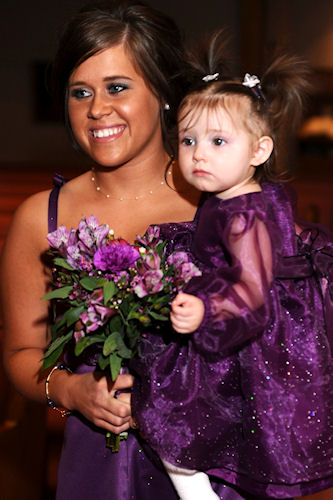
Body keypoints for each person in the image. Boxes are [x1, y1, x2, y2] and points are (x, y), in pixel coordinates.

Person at [0, 3, 255, 500]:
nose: (97, 109)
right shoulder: (40, 218)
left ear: (161, 91)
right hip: (101, 467)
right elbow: (18, 354)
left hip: (218, 464)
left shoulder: (223, 200)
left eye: (117, 87)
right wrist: (70, 390)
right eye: (80, 93)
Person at [131, 32, 333, 499]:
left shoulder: (244, 215)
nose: (199, 153)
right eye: (188, 139)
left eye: (218, 140)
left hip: (249, 339)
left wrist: (206, 309)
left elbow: (252, 291)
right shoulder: (230, 199)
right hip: (242, 336)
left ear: (259, 152)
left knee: (176, 418)